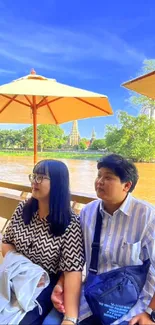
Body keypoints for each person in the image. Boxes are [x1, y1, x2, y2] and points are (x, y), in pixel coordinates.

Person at [43, 154, 155, 325]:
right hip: (90, 296)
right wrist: (62, 283)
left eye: (108, 177)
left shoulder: (147, 216)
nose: (99, 181)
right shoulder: (88, 212)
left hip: (131, 305)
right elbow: (75, 257)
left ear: (127, 185)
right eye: (99, 175)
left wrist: (149, 312)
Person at [2, 159, 85, 325]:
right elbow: (6, 242)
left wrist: (70, 318)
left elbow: (72, 271)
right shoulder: (23, 210)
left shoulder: (70, 223)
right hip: (13, 275)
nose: (34, 181)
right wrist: (25, 268)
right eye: (34, 176)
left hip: (43, 286)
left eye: (41, 177)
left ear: (58, 183)